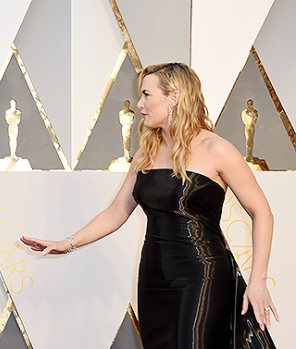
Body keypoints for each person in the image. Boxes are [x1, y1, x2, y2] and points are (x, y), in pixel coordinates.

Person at [22, 62, 279, 348]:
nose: (140, 105)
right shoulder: (147, 152)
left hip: (202, 273)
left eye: (146, 95)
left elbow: (262, 212)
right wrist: (67, 243)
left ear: (174, 98)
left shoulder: (216, 149)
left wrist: (258, 280)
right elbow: (117, 211)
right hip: (153, 277)